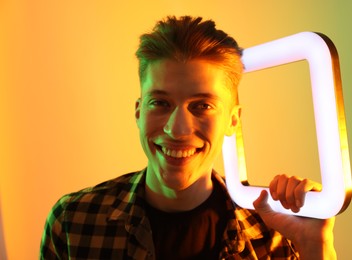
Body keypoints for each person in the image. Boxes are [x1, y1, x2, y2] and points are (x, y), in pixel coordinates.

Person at [40, 16, 337, 259]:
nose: (177, 130)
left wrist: (314, 246)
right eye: (160, 103)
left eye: (202, 106)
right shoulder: (73, 222)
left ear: (233, 120)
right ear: (138, 111)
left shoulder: (275, 235)